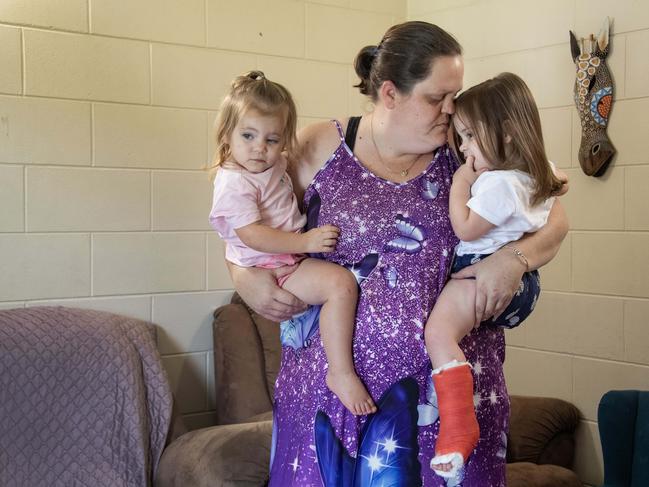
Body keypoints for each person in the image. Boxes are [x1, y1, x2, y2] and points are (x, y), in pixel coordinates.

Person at [229, 22, 569, 486]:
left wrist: (515, 261)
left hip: (450, 414)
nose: (452, 109)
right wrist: (240, 275)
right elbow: (242, 216)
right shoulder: (318, 146)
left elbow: (556, 217)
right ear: (389, 93)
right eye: (436, 97)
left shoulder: (468, 151)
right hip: (327, 402)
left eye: (456, 94)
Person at [209, 71, 376, 416]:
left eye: (272, 139)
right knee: (340, 285)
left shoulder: (272, 164)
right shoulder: (234, 182)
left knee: (340, 285)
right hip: (272, 267)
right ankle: (340, 373)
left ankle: (338, 369)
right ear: (226, 134)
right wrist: (305, 240)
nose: (260, 148)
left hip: (287, 260)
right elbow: (251, 234)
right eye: (248, 135)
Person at [425, 72, 565, 477]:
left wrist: (460, 182)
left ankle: (458, 424)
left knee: (439, 334)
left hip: (481, 270)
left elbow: (465, 228)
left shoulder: (496, 185)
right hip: (521, 281)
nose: (463, 147)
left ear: (505, 134)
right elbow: (559, 183)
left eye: (469, 136)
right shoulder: (538, 174)